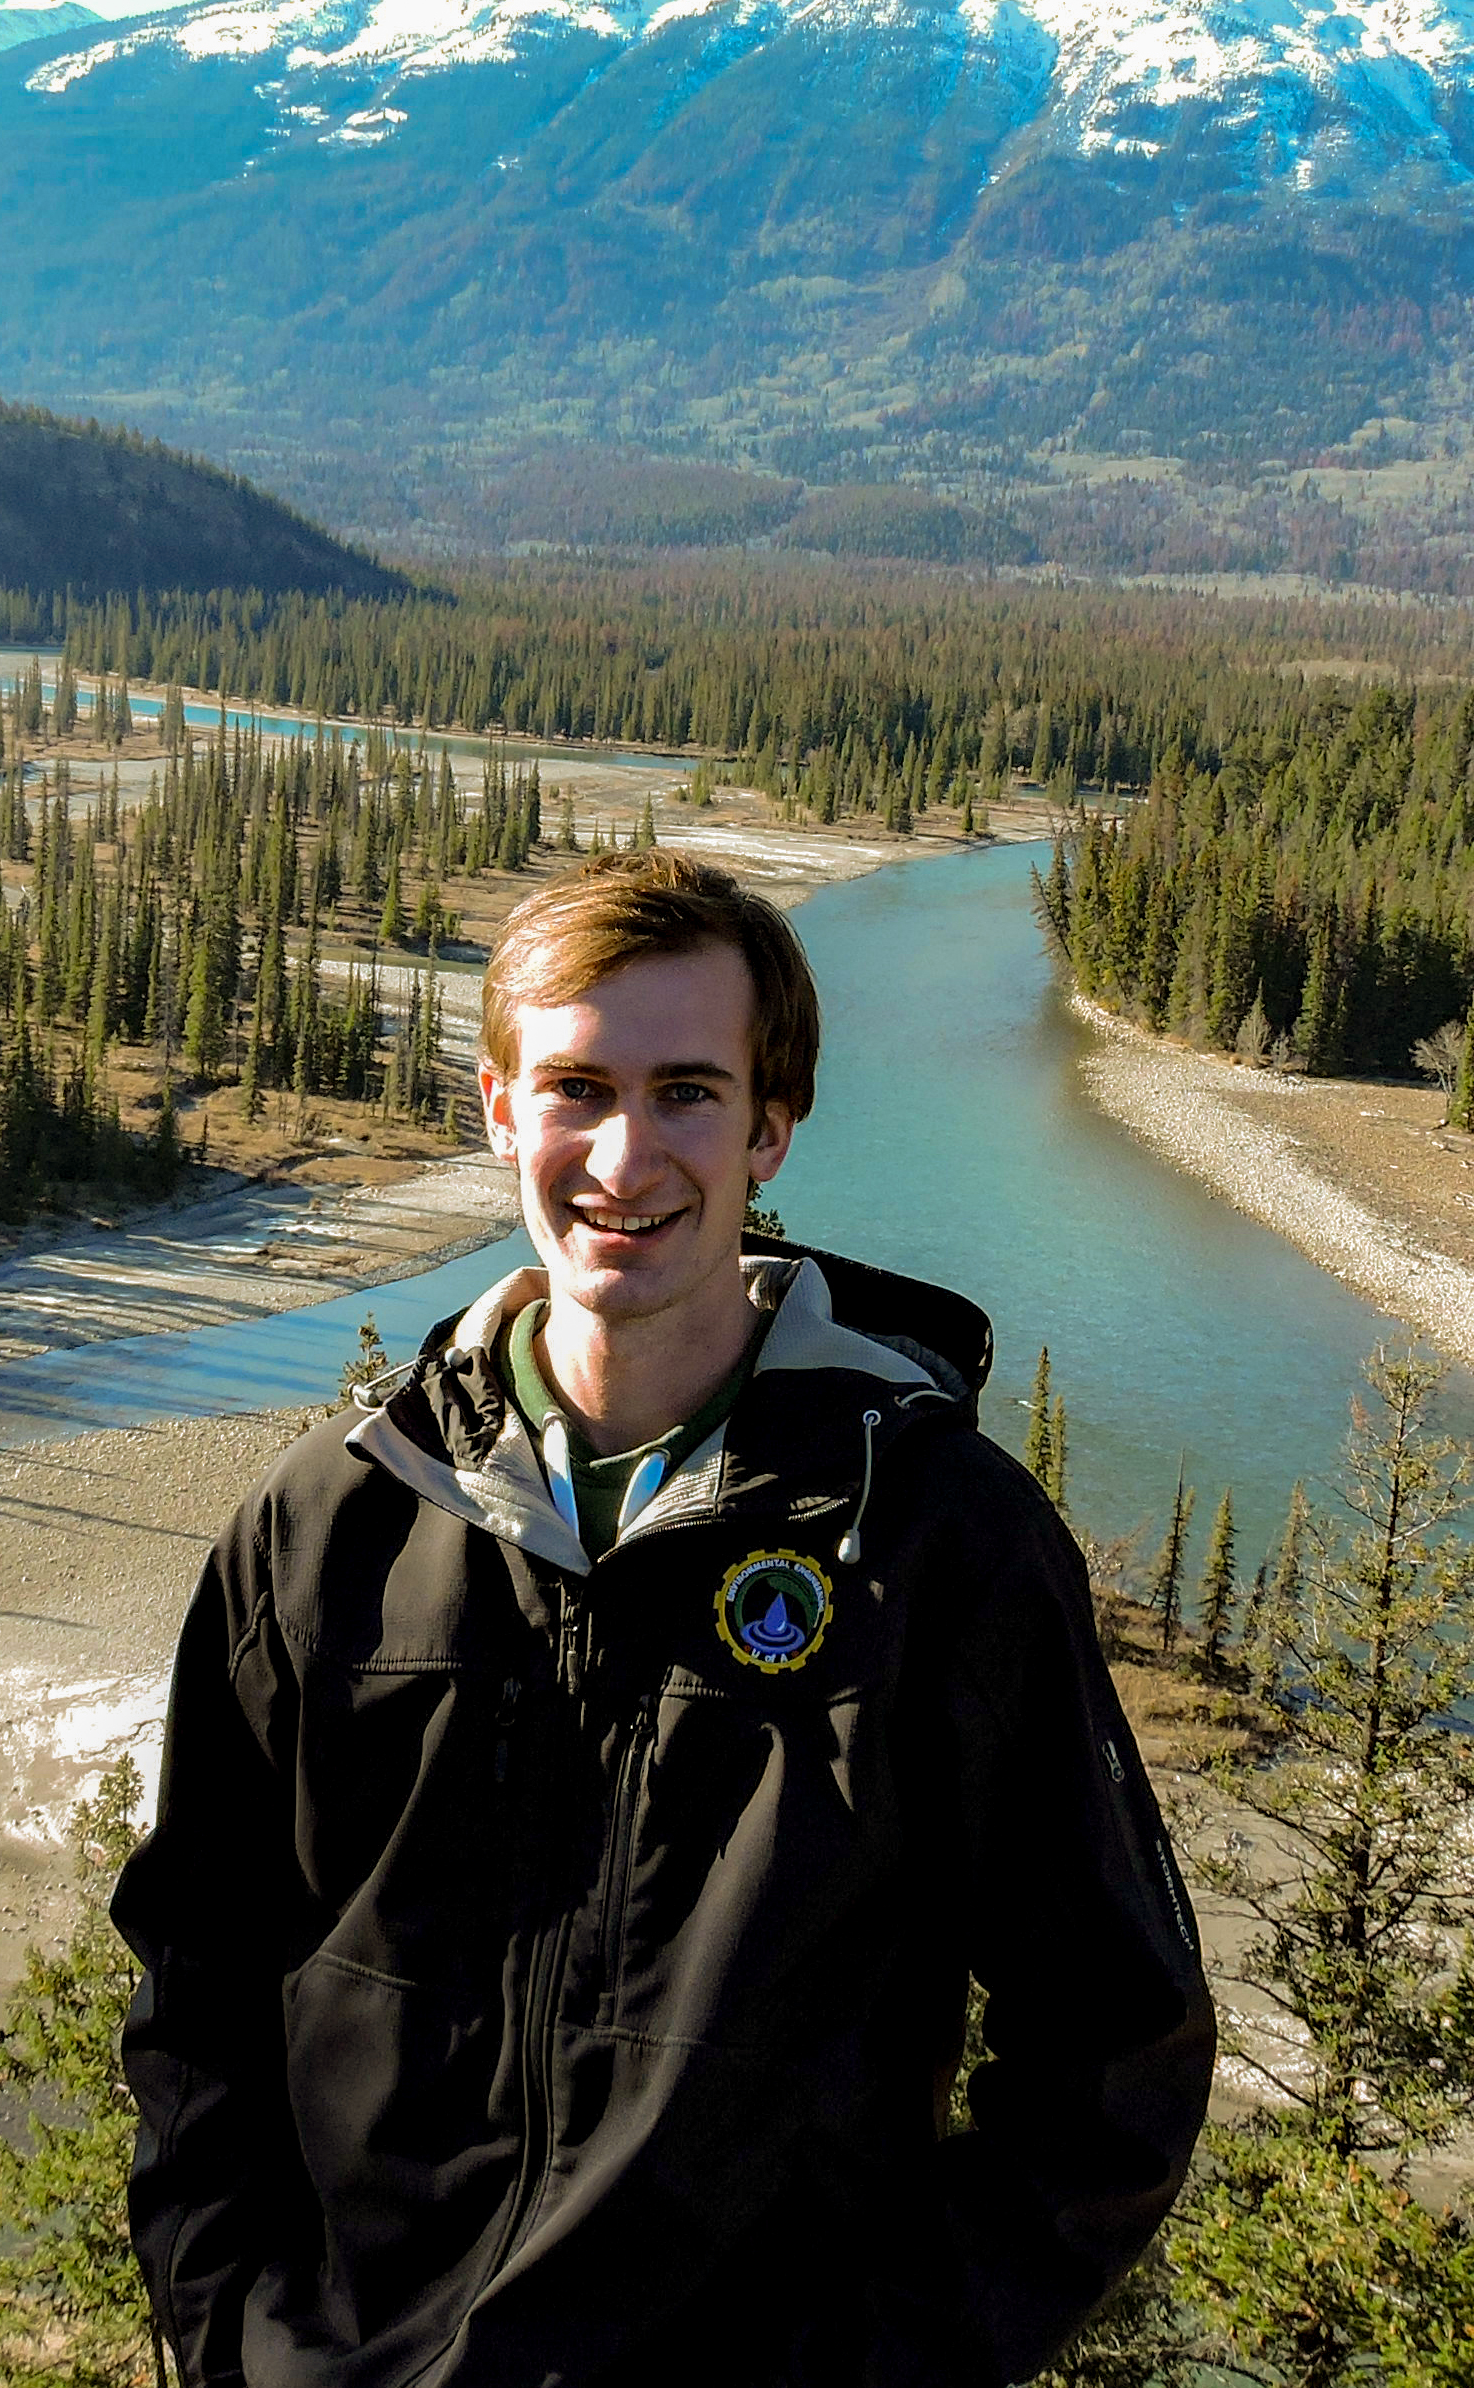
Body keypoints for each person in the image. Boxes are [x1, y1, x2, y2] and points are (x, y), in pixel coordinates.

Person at [115, 848, 1214, 2388]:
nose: (626, 1159)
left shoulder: (938, 1546)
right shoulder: (328, 1526)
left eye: (688, 1092)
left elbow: (1116, 2048)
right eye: (577, 1087)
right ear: (500, 1109)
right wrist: (235, 2332)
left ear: (772, 1126)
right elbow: (198, 1977)